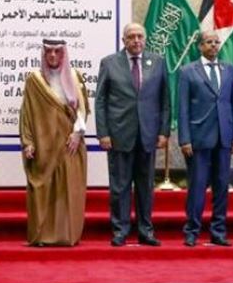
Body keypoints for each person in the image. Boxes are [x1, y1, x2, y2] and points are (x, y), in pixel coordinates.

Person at [95, 23, 169, 247]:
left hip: (148, 134)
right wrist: (103, 133)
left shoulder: (158, 62)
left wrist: (163, 131)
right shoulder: (109, 63)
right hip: (119, 134)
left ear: (145, 39)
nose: (136, 40)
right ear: (123, 40)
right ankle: (120, 230)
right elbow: (100, 101)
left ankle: (146, 231)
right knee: (120, 187)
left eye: (140, 36)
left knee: (146, 187)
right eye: (131, 37)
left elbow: (165, 100)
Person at [20, 39, 89, 246]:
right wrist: (28, 142)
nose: (52, 55)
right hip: (43, 145)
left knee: (69, 190)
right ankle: (42, 236)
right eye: (48, 51)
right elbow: (26, 114)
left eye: (57, 52)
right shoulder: (34, 80)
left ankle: (67, 235)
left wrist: (77, 134)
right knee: (44, 191)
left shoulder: (75, 77)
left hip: (70, 144)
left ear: (63, 54)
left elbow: (83, 110)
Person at [177, 31, 233, 247]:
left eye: (216, 42)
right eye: (209, 42)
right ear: (200, 46)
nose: (214, 45)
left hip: (224, 138)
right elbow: (183, 108)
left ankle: (218, 231)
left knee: (222, 187)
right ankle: (192, 231)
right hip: (198, 139)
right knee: (197, 188)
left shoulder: (229, 70)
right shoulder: (188, 71)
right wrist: (184, 139)